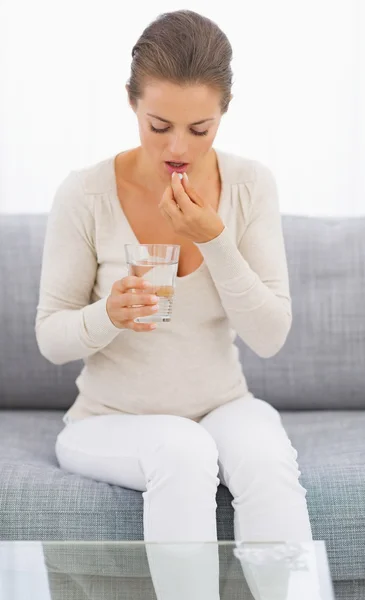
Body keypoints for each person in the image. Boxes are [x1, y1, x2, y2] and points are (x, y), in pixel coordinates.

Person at [36, 9, 312, 599]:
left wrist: (216, 240)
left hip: (221, 403)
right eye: (158, 125)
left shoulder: (249, 186)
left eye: (199, 129)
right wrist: (105, 314)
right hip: (108, 420)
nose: (178, 148)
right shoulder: (85, 193)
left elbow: (270, 336)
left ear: (225, 112)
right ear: (131, 103)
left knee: (264, 458)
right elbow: (50, 338)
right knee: (183, 451)